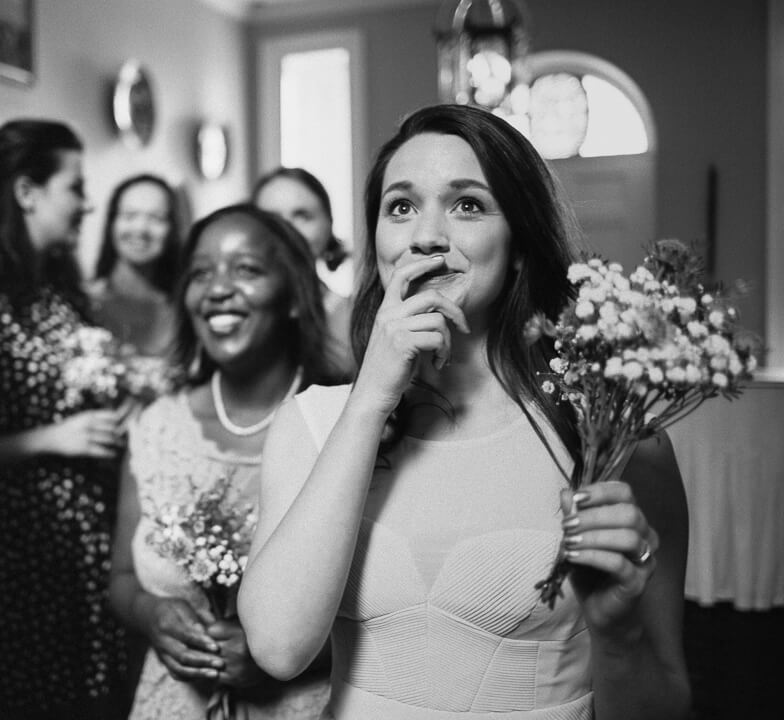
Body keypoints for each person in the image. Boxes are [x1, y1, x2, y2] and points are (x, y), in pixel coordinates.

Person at [238, 105, 691, 719]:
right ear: (378, 242)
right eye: (400, 206)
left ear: (521, 246)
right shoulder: (315, 423)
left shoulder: (612, 440)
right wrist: (371, 396)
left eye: (467, 205)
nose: (426, 236)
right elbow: (279, 648)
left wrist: (618, 636)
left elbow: (664, 706)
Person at [0, 119, 130, 719]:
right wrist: (53, 440)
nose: (86, 202)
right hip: (18, 554)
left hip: (84, 544)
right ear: (26, 191)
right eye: (75, 186)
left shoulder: (57, 293)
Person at [109, 204, 335, 719]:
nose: (217, 289)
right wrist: (152, 613)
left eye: (247, 269)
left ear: (295, 297)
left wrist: (290, 654)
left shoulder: (345, 422)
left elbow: (393, 608)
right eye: (200, 273)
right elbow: (121, 577)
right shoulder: (156, 425)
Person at [253, 166, 355, 377]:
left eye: (303, 216)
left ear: (328, 225)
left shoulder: (356, 319)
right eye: (271, 218)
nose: (287, 228)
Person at [88, 173, 182, 358]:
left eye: (156, 218)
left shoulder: (182, 311)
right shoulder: (85, 303)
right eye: (129, 216)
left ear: (172, 229)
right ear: (112, 223)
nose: (141, 229)